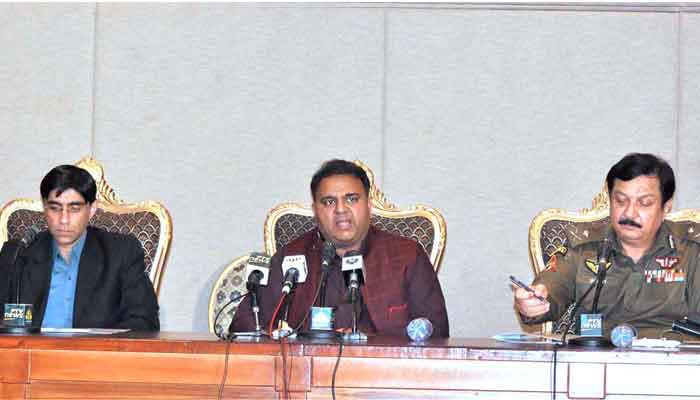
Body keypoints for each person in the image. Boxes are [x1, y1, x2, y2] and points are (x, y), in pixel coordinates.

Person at [231, 159, 449, 337]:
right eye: (328, 202)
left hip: (384, 379)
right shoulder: (292, 256)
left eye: (352, 199)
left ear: (368, 205)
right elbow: (244, 325)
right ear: (315, 210)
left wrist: (366, 340)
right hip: (304, 380)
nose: (341, 210)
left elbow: (437, 332)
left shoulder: (406, 256)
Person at [515, 153, 700, 337]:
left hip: (672, 359)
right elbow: (551, 288)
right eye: (620, 201)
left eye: (644, 203)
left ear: (665, 208)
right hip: (598, 358)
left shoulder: (691, 251)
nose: (629, 213)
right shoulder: (583, 248)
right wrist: (532, 303)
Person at [0, 165, 159, 330]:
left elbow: (144, 320)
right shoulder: (20, 254)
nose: (63, 219)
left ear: (92, 209)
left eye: (74, 209)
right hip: (31, 354)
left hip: (97, 354)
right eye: (55, 208)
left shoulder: (120, 252)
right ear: (44, 207)